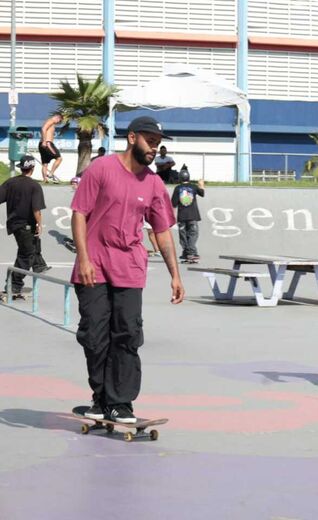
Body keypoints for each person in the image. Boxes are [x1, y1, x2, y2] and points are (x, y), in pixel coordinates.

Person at [71, 116, 184, 424]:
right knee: (94, 336)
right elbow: (79, 214)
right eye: (150, 141)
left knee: (127, 335)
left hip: (130, 267)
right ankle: (101, 397)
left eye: (158, 143)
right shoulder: (101, 169)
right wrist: (83, 258)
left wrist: (175, 273)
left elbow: (161, 230)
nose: (154, 148)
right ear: (132, 138)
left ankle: (121, 403)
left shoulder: (154, 183)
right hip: (93, 265)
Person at [0, 155, 51, 299]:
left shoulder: (10, 182)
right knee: (25, 254)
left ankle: (39, 264)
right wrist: (39, 224)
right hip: (26, 225)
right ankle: (14, 285)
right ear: (33, 168)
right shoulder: (34, 186)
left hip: (14, 225)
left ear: (21, 168)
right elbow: (36, 209)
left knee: (32, 244)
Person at [171, 167, 205, 264]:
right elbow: (202, 193)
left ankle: (186, 253)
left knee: (183, 236)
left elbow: (173, 203)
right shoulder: (193, 187)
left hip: (181, 216)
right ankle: (191, 253)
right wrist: (201, 185)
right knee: (193, 234)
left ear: (180, 178)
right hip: (193, 215)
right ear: (188, 178)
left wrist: (171, 216)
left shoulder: (177, 188)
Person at [38, 112, 64, 183]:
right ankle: (50, 174)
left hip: (43, 143)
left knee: (45, 163)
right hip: (47, 143)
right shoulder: (51, 121)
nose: (58, 123)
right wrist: (44, 141)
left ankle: (45, 180)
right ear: (57, 117)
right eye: (59, 121)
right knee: (59, 158)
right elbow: (43, 129)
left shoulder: (49, 122)